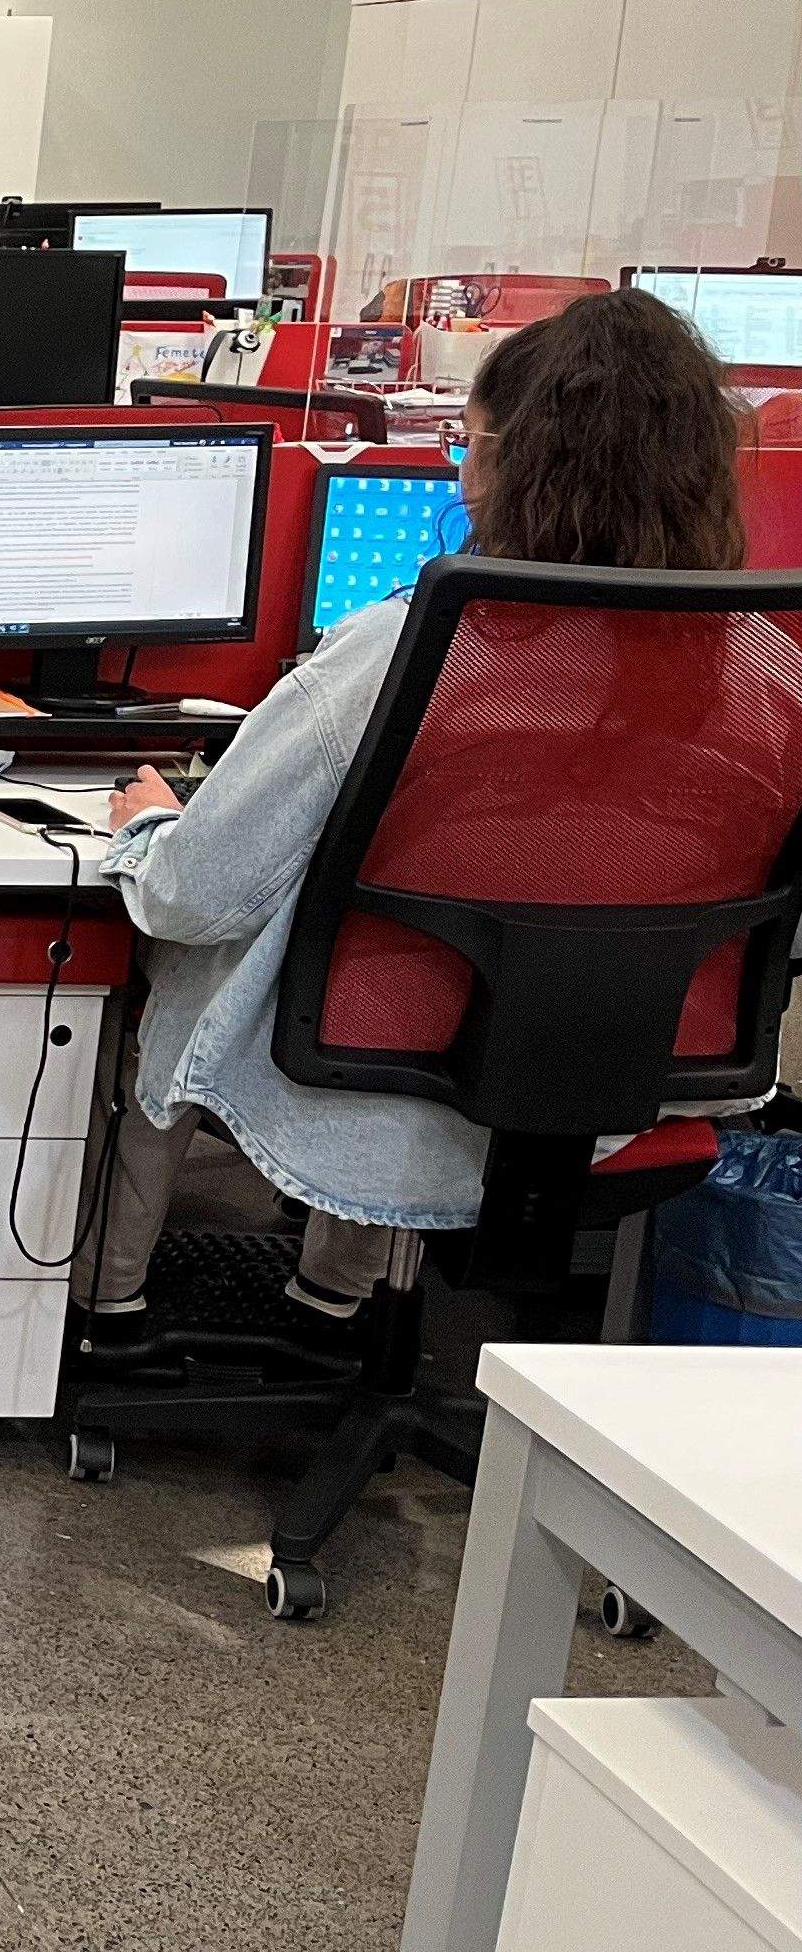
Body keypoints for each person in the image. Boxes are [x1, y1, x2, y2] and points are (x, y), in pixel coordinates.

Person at [80, 288, 751, 1323]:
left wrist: (151, 830)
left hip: (378, 1066)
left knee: (189, 945)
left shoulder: (412, 648)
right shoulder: (758, 668)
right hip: (623, 1070)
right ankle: (334, 1295)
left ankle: (110, 1307)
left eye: (466, 443)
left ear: (512, 461)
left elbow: (194, 896)